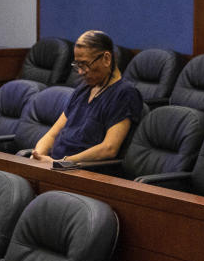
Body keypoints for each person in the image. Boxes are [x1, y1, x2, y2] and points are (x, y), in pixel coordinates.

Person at [31, 30, 143, 163]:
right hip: (57, 166)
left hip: (85, 172)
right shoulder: (83, 89)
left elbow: (109, 148)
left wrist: (63, 162)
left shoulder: (125, 93)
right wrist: (37, 156)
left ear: (106, 59)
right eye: (77, 65)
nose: (80, 71)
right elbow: (52, 134)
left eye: (84, 64)